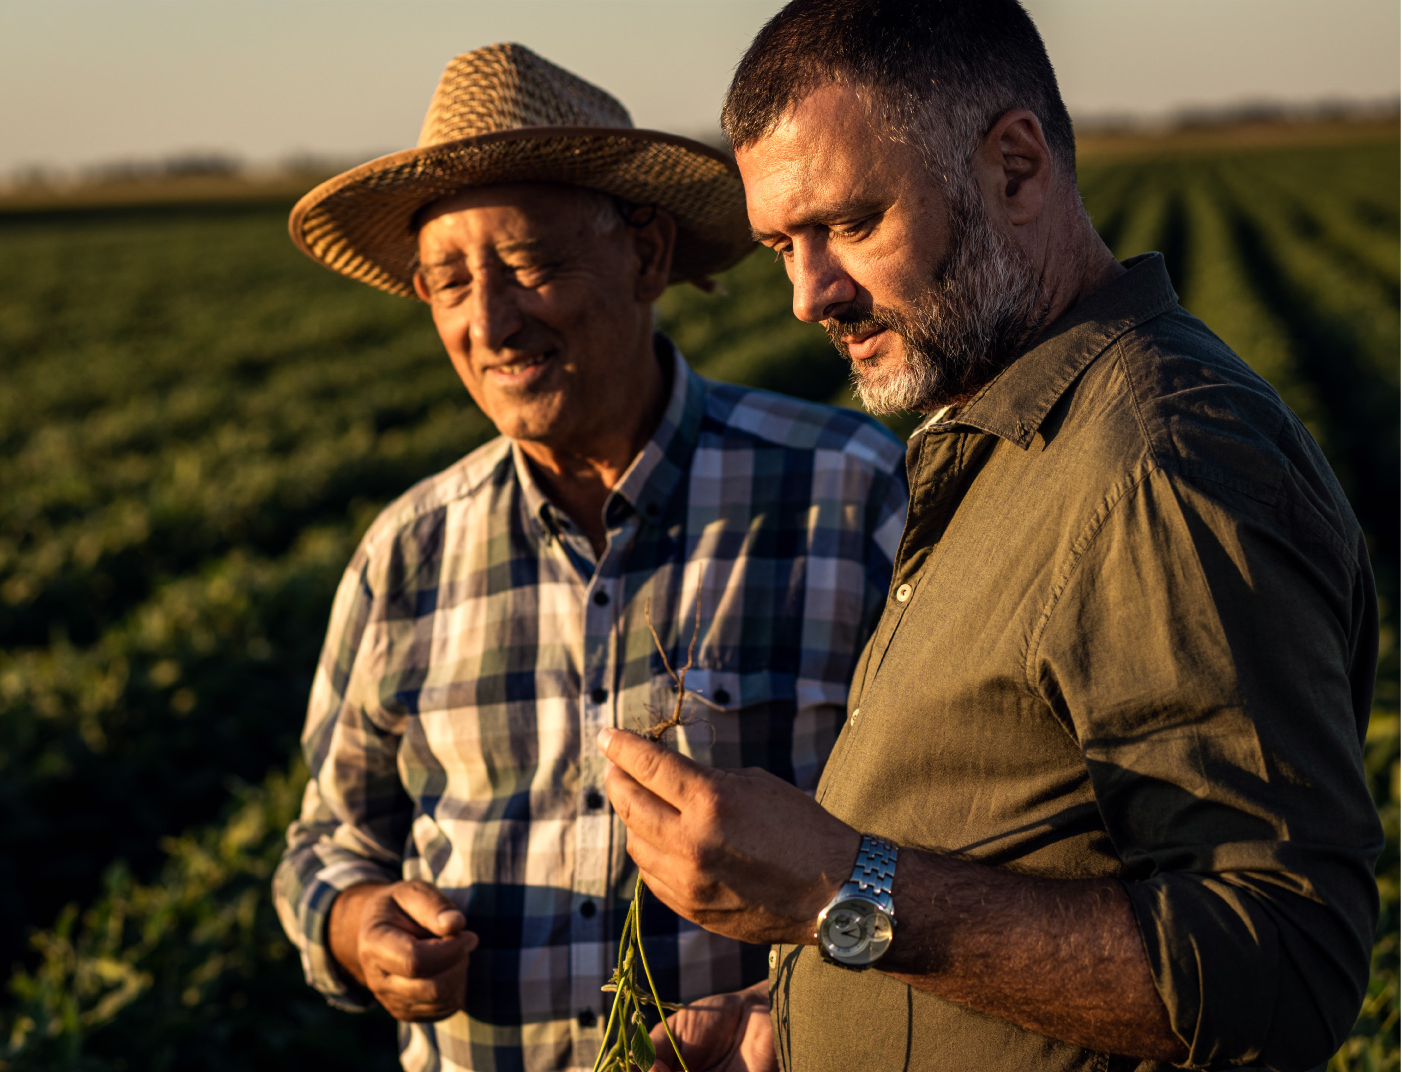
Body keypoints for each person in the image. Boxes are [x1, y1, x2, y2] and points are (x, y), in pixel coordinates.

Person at [600, 3, 1384, 1071]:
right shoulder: (999, 436)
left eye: (852, 222)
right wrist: (804, 1015)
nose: (805, 295)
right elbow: (1023, 847)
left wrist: (839, 885)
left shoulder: (1157, 464)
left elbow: (1282, 962)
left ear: (1016, 168)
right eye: (785, 243)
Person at [270, 42, 908, 1072]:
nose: (491, 320)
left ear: (647, 256)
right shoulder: (408, 552)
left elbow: (955, 846)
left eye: (531, 267)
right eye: (448, 283)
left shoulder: (851, 491)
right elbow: (328, 842)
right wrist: (356, 923)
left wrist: (806, 1000)